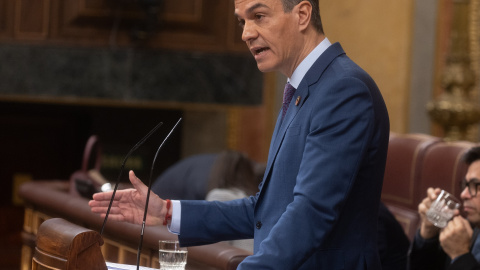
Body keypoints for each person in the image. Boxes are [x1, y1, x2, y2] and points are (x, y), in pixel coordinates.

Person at [89, 0, 390, 268]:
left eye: (259, 16)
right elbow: (263, 209)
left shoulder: (343, 90)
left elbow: (311, 212)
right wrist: (167, 211)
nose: (246, 33)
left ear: (302, 14)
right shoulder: (301, 91)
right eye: (242, 21)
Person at [408, 146, 480, 270]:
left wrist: (460, 255)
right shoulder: (469, 228)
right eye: (466, 185)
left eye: (476, 186)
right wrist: (428, 234)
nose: (463, 195)